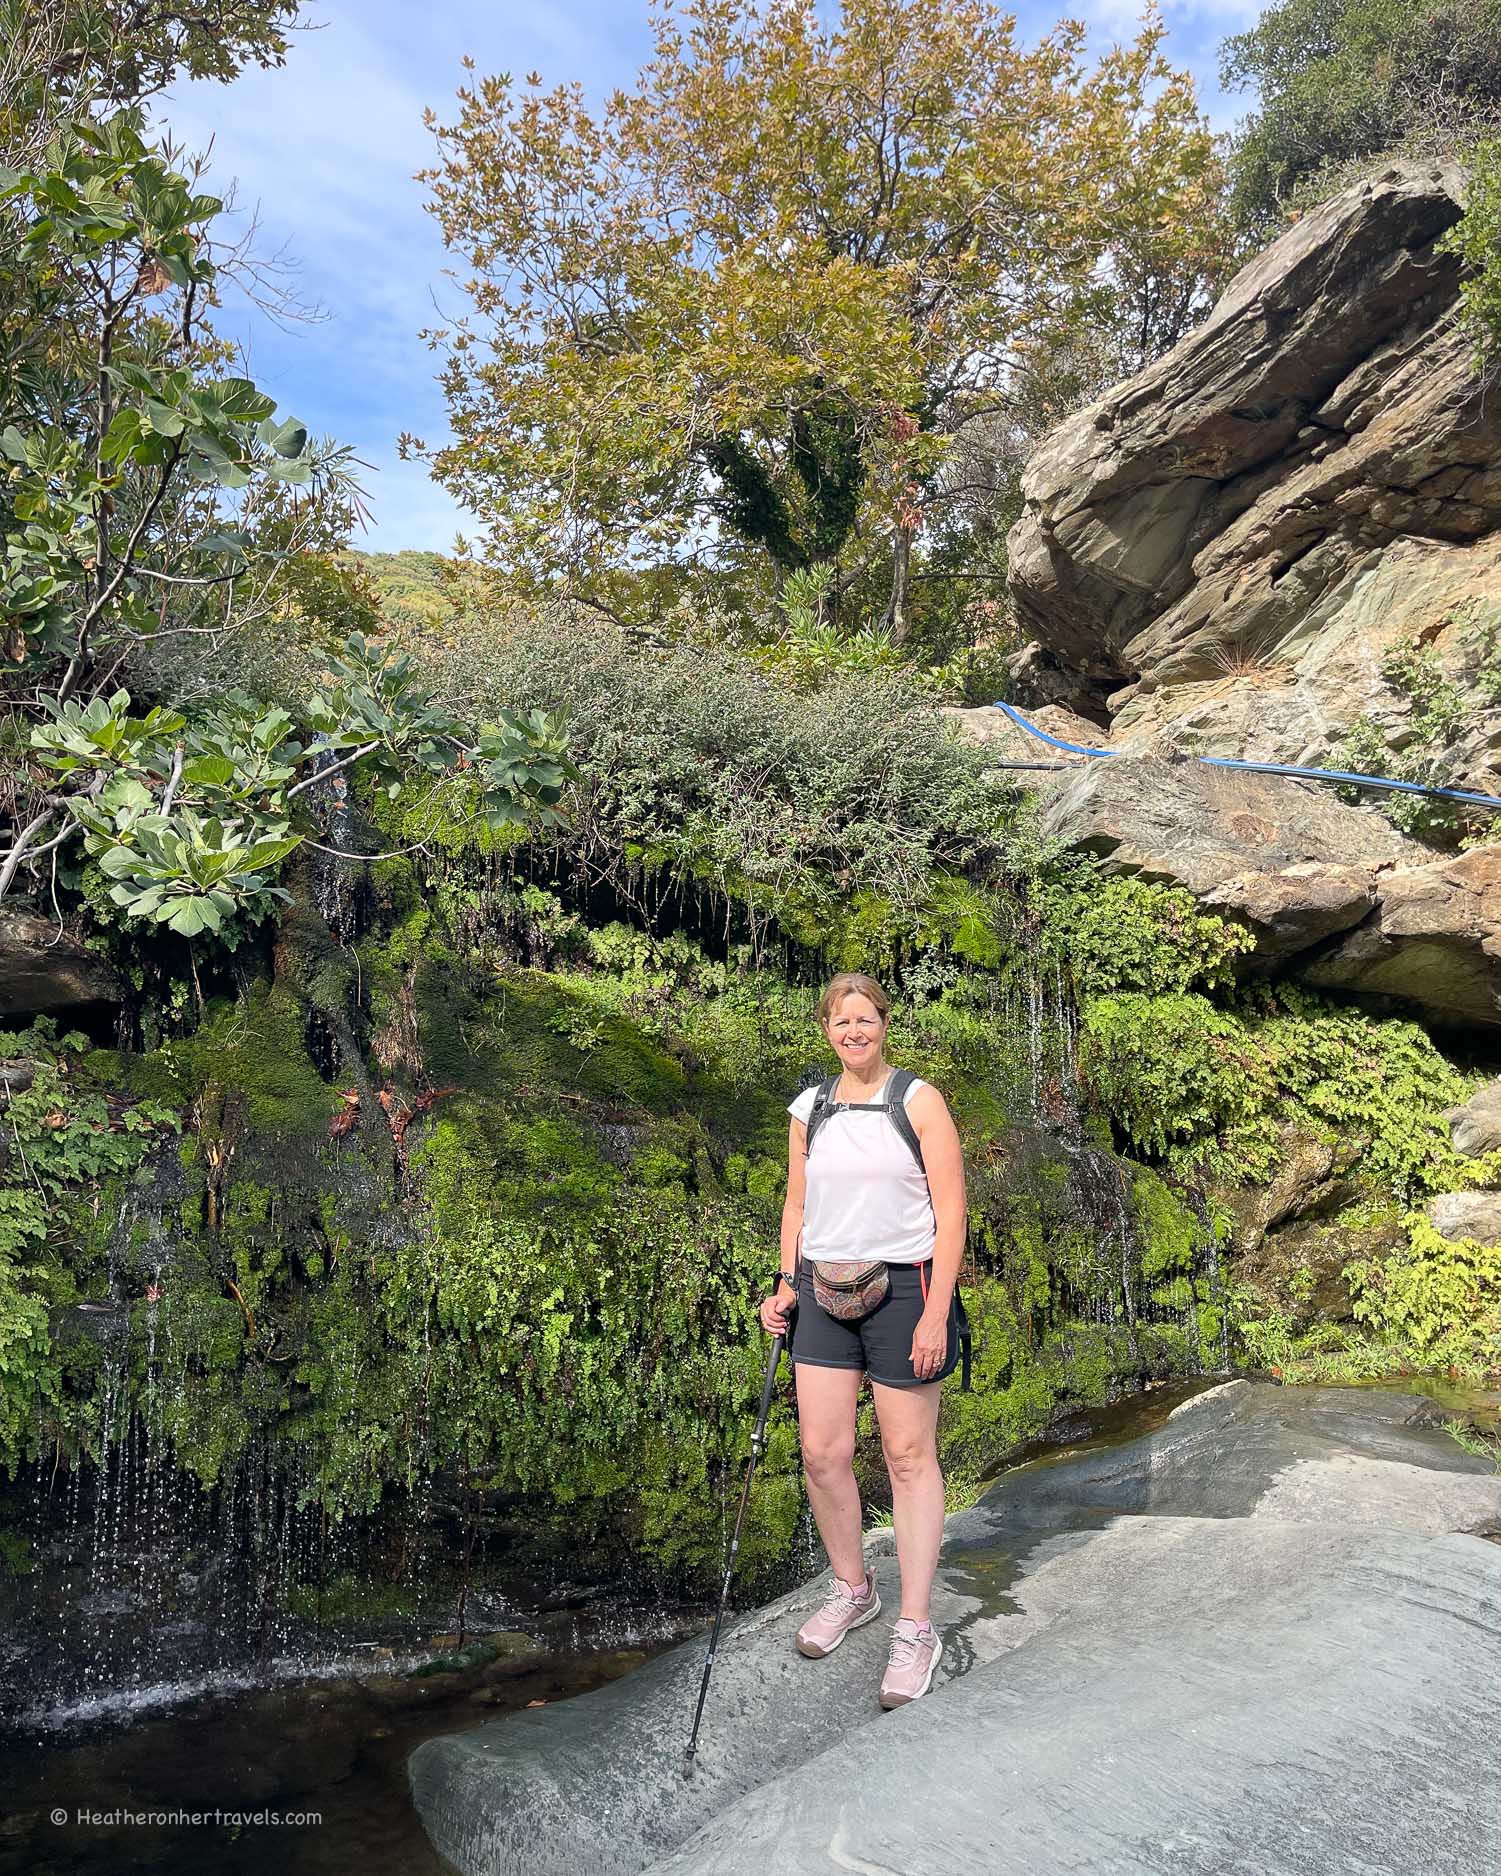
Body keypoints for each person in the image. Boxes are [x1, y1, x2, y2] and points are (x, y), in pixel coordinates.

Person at [759, 971, 966, 1709]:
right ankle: (853, 1589)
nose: (854, 1032)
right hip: (820, 1288)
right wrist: (784, 1281)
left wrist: (936, 1311)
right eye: (840, 1023)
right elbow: (796, 1202)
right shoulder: (808, 1109)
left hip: (904, 1287)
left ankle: (915, 1626)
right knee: (821, 1452)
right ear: (826, 1031)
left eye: (865, 1020)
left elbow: (950, 1212)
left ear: (884, 1023)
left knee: (908, 1456)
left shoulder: (917, 1101)